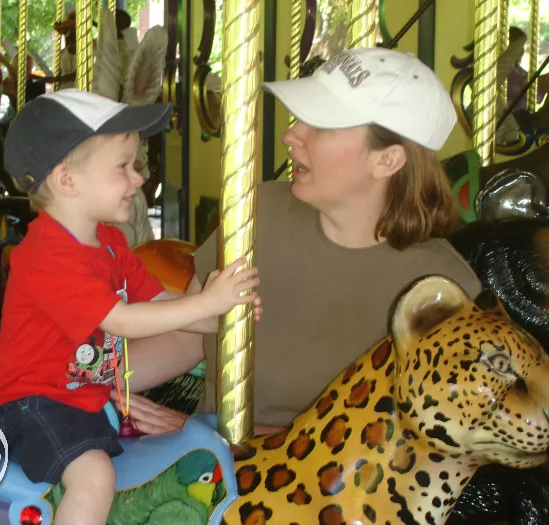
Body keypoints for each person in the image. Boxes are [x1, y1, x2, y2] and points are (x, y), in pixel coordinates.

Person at [113, 47, 483, 437]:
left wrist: (229, 436)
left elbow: (406, 436)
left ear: (388, 160)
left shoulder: (440, 289)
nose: (291, 135)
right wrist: (84, 386)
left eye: (321, 126)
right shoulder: (259, 212)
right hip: (206, 458)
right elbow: (185, 338)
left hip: (326, 488)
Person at [0, 89, 262, 525]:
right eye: (123, 167)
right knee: (94, 477)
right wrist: (207, 301)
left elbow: (161, 302)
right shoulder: (47, 255)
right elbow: (123, 320)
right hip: (36, 404)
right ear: (66, 179)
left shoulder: (110, 242)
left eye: (136, 166)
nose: (139, 179)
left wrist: (220, 317)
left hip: (85, 394)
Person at [502, 26, 548, 112]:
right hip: (508, 121)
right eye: (518, 47)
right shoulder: (505, 70)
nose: (522, 51)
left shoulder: (518, 69)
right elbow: (528, 86)